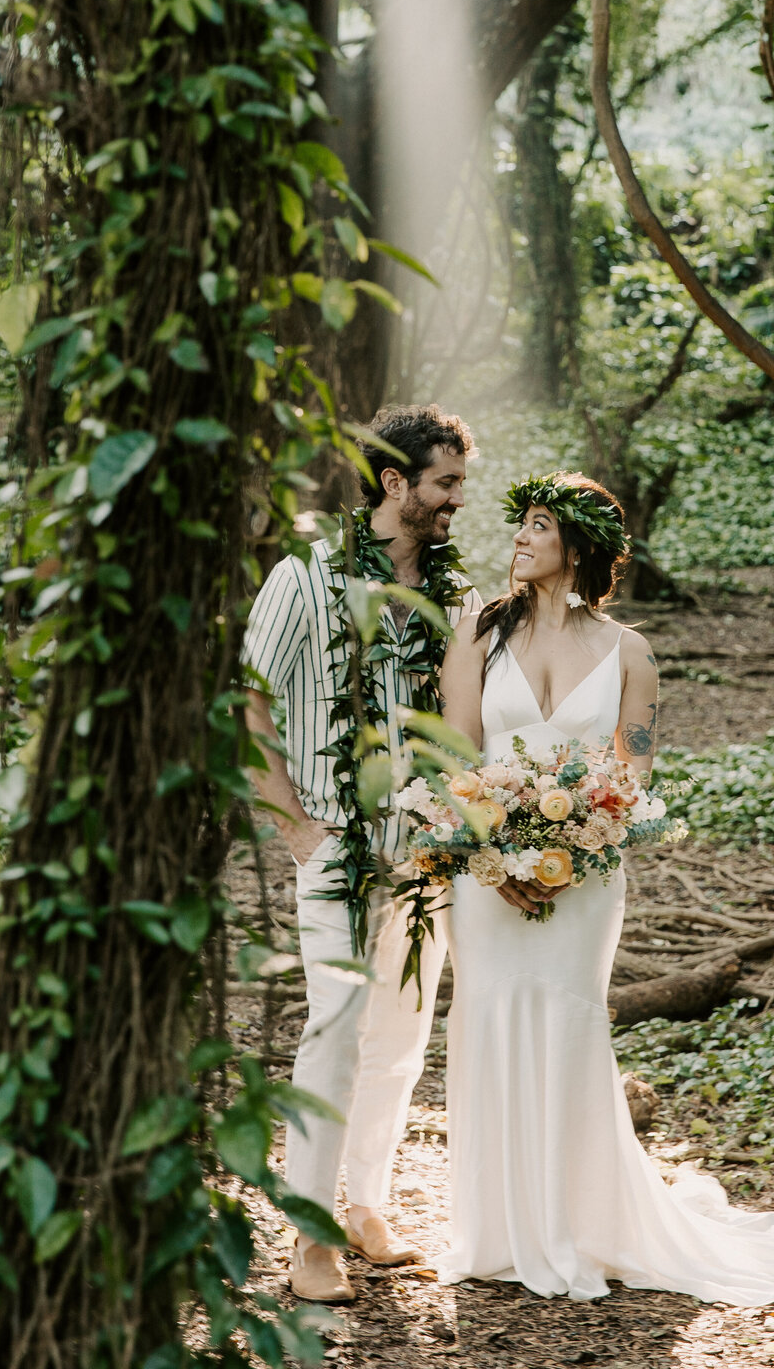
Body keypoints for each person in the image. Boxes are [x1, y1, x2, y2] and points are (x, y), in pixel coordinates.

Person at [436, 471, 774, 1305]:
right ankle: (494, 1230)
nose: (519, 538)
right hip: (486, 875)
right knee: (487, 1019)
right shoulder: (478, 636)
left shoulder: (630, 653)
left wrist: (576, 841)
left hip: (586, 876)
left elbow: (631, 770)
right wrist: (496, 856)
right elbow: (457, 754)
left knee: (568, 1028)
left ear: (576, 547)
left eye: (536, 525)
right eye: (520, 526)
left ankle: (575, 1226)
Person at [243, 404, 478, 1303]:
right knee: (334, 1035)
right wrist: (301, 831)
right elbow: (249, 707)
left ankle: (367, 1206)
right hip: (337, 847)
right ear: (394, 484)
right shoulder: (302, 582)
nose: (459, 498)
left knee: (401, 1039)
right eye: (445, 482)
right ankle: (307, 1242)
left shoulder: (452, 595)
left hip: (423, 855)